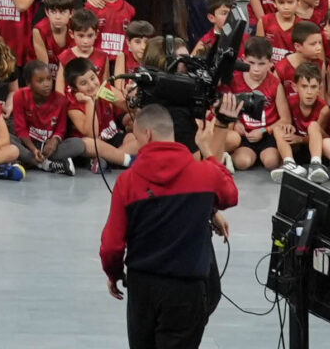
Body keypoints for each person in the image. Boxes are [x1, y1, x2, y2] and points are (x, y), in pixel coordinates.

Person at [100, 103, 240, 349]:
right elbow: (230, 196)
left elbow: (112, 246)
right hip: (187, 288)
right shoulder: (205, 174)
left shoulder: (127, 182)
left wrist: (114, 273)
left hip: (143, 286)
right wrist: (208, 153)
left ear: (148, 134)